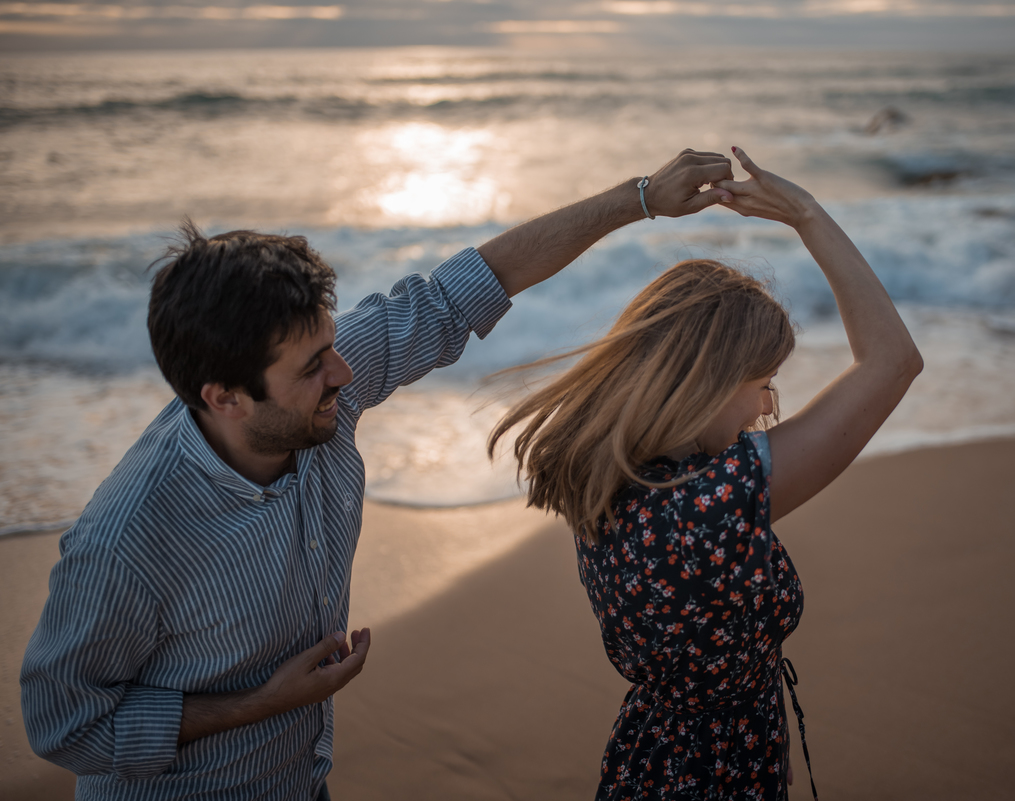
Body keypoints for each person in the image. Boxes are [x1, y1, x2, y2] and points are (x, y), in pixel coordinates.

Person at [19, 150, 738, 800]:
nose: (343, 372)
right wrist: (259, 703)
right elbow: (64, 725)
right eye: (312, 369)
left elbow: (461, 291)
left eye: (330, 346)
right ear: (224, 397)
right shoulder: (128, 541)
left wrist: (640, 196)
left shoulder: (327, 380)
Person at [489, 147, 923, 800]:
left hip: (651, 755)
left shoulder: (609, 473)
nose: (768, 406)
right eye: (762, 383)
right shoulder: (712, 502)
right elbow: (891, 361)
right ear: (706, 386)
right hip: (718, 772)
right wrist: (806, 215)